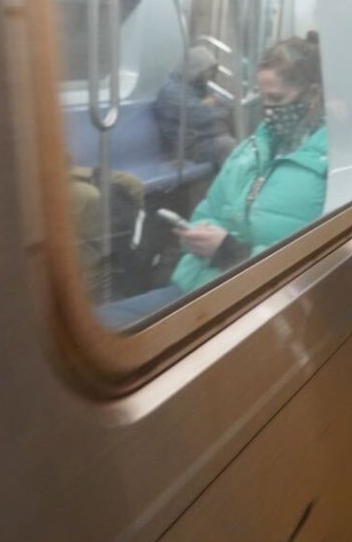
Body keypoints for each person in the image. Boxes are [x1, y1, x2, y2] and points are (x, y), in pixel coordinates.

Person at [95, 37, 328, 327]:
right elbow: (209, 210)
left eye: (277, 99)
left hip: (258, 305)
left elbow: (319, 267)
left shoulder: (330, 165)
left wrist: (232, 253)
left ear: (313, 95)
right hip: (199, 286)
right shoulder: (250, 150)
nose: (268, 110)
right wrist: (200, 234)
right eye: (263, 97)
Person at [153, 44, 237, 166]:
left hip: (205, 139)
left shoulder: (197, 86)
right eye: (206, 72)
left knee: (244, 143)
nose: (208, 77)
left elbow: (226, 105)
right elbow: (203, 115)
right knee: (227, 146)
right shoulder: (171, 91)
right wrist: (215, 106)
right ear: (194, 69)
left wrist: (214, 104)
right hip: (187, 147)